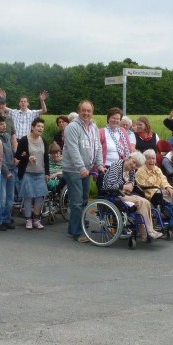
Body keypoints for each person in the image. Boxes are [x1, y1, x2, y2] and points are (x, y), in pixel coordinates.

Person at [62, 100, 105, 242]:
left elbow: (97, 147)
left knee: (84, 199)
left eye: (89, 111)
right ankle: (76, 232)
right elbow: (73, 149)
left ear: (92, 112)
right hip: (74, 169)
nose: (86, 113)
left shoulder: (93, 126)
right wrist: (81, 168)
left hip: (86, 169)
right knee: (76, 201)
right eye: (84, 110)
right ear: (79, 111)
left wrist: (99, 165)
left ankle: (78, 227)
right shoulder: (72, 127)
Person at [101, 152, 163, 240]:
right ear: (128, 158)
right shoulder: (116, 166)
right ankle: (147, 232)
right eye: (133, 162)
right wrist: (125, 186)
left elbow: (132, 181)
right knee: (140, 201)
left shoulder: (131, 170)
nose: (134, 166)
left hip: (125, 194)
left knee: (146, 203)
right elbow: (109, 185)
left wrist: (130, 184)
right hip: (114, 195)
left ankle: (148, 232)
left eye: (137, 165)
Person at [15, 118, 50, 230]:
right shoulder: (24, 140)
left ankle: (36, 219)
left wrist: (47, 172)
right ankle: (28, 219)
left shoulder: (43, 140)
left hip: (40, 172)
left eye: (42, 127)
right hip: (27, 172)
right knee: (28, 196)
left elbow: (46, 158)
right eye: (38, 126)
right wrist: (27, 157)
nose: (40, 129)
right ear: (32, 127)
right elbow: (17, 156)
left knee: (40, 197)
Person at [0, 114, 16, 231]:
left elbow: (12, 151)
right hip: (2, 171)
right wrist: (6, 171)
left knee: (10, 197)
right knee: (1, 197)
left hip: (12, 169)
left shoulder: (7, 135)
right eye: (1, 124)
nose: (4, 126)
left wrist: (17, 159)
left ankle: (7, 218)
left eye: (4, 124)